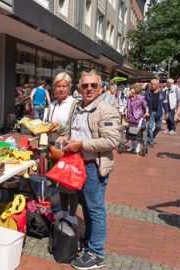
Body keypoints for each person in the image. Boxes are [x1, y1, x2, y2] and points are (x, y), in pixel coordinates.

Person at [63, 70, 120, 270]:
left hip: (94, 168)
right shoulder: (78, 107)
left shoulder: (107, 109)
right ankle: (89, 242)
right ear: (79, 88)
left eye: (93, 85)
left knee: (95, 210)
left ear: (101, 88)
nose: (89, 89)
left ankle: (96, 254)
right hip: (78, 166)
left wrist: (80, 145)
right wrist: (67, 140)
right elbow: (77, 131)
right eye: (85, 85)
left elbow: (112, 140)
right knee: (85, 207)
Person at [46, 72, 79, 225]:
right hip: (54, 149)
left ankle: (72, 214)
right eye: (58, 86)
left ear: (69, 87)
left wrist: (63, 133)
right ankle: (61, 210)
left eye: (64, 86)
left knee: (70, 183)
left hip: (69, 149)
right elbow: (49, 124)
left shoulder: (74, 103)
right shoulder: (52, 104)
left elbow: (77, 126)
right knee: (57, 181)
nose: (61, 89)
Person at [125, 83, 149, 153]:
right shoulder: (129, 98)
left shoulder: (141, 98)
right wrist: (125, 112)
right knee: (130, 132)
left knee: (136, 133)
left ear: (136, 90)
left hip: (138, 117)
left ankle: (137, 148)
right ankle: (132, 147)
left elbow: (146, 106)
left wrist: (146, 113)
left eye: (132, 89)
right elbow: (127, 106)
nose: (130, 90)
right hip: (130, 117)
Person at [145, 79, 168, 146]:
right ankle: (150, 141)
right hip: (151, 112)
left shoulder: (162, 93)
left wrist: (166, 112)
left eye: (154, 84)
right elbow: (144, 103)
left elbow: (165, 103)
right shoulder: (147, 93)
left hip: (159, 112)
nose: (152, 85)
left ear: (157, 85)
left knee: (159, 127)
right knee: (150, 127)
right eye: (151, 84)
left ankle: (152, 137)